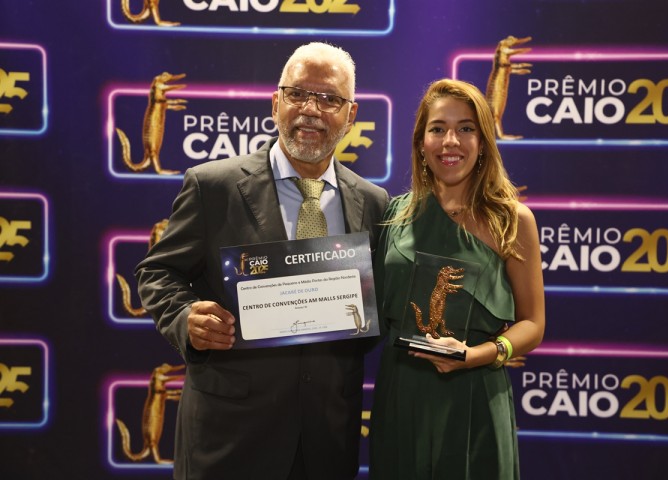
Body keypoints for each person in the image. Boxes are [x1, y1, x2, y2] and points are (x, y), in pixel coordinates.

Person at [135, 42, 389, 480]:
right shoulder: (213, 186)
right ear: (275, 104)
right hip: (230, 439)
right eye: (298, 94)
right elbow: (157, 272)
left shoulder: (373, 202)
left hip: (325, 441)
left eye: (329, 99)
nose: (311, 109)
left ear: (351, 115)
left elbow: (374, 309)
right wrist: (185, 317)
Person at [368, 79, 545, 479]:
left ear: (482, 142)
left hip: (476, 397)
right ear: (421, 142)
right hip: (402, 396)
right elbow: (363, 309)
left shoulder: (513, 221)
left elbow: (533, 324)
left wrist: (474, 356)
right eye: (438, 128)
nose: (451, 141)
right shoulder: (394, 215)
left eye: (465, 128)